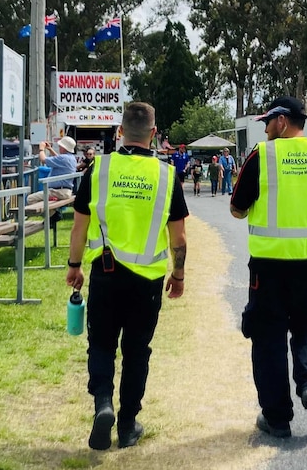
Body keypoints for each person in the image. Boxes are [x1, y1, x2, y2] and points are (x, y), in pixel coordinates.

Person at [66, 101, 188, 450]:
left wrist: (75, 267)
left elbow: (79, 227)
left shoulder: (98, 169)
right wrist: (178, 276)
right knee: (137, 352)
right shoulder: (167, 176)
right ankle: (128, 423)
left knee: (101, 344)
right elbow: (178, 238)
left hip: (105, 274)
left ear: (119, 132)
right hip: (146, 284)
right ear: (154, 134)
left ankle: (102, 403)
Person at [230, 96, 307, 439]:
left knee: (268, 338)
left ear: (282, 121)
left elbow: (236, 209)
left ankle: (277, 418)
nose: (264, 129)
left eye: (267, 122)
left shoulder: (262, 155)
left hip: (269, 265)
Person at [28, 136, 78, 203]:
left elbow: (43, 159)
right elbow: (58, 158)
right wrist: (50, 149)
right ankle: (53, 213)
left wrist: (41, 149)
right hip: (65, 191)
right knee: (45, 200)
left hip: (58, 191)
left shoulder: (63, 158)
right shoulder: (71, 158)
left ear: (64, 148)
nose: (59, 147)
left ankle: (52, 213)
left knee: (30, 198)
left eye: (60, 146)